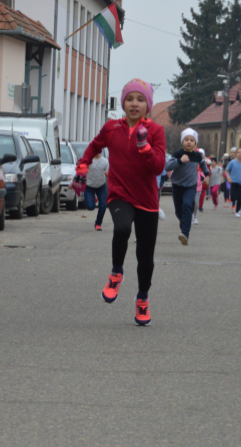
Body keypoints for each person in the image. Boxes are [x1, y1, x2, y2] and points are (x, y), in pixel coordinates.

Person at [72, 78, 166, 326]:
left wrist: (144, 147)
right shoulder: (112, 128)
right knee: (122, 228)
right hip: (119, 193)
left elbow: (157, 167)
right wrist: (82, 166)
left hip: (147, 200)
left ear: (148, 104)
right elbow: (93, 147)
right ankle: (116, 273)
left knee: (145, 258)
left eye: (140, 99)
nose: (134, 104)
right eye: (129, 98)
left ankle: (142, 299)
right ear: (123, 102)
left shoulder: (156, 131)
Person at [166, 127, 209, 246]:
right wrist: (180, 161)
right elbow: (168, 166)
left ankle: (185, 233)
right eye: (186, 140)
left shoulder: (197, 156)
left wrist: (207, 175)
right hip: (177, 186)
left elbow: (204, 166)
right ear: (182, 142)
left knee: (187, 205)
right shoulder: (177, 154)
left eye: (192, 140)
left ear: (196, 143)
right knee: (179, 211)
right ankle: (183, 222)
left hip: (191, 186)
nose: (189, 142)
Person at [84, 152, 109, 231]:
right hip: (89, 187)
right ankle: (93, 198)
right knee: (90, 207)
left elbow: (110, 173)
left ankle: (98, 224)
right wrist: (72, 183)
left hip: (101, 186)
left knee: (103, 205)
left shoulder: (105, 161)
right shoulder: (88, 161)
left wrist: (108, 174)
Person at [225, 147, 241, 217]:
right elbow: (227, 170)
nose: (240, 154)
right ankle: (231, 199)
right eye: (238, 152)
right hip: (233, 182)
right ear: (236, 154)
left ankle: (237, 211)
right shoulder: (232, 162)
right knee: (233, 198)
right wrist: (228, 178)